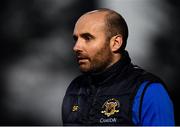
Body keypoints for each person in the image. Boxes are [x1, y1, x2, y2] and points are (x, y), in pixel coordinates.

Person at [62, 8, 175, 126]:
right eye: (76, 39)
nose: (76, 47)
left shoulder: (149, 89)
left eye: (87, 38)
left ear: (116, 43)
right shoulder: (75, 89)